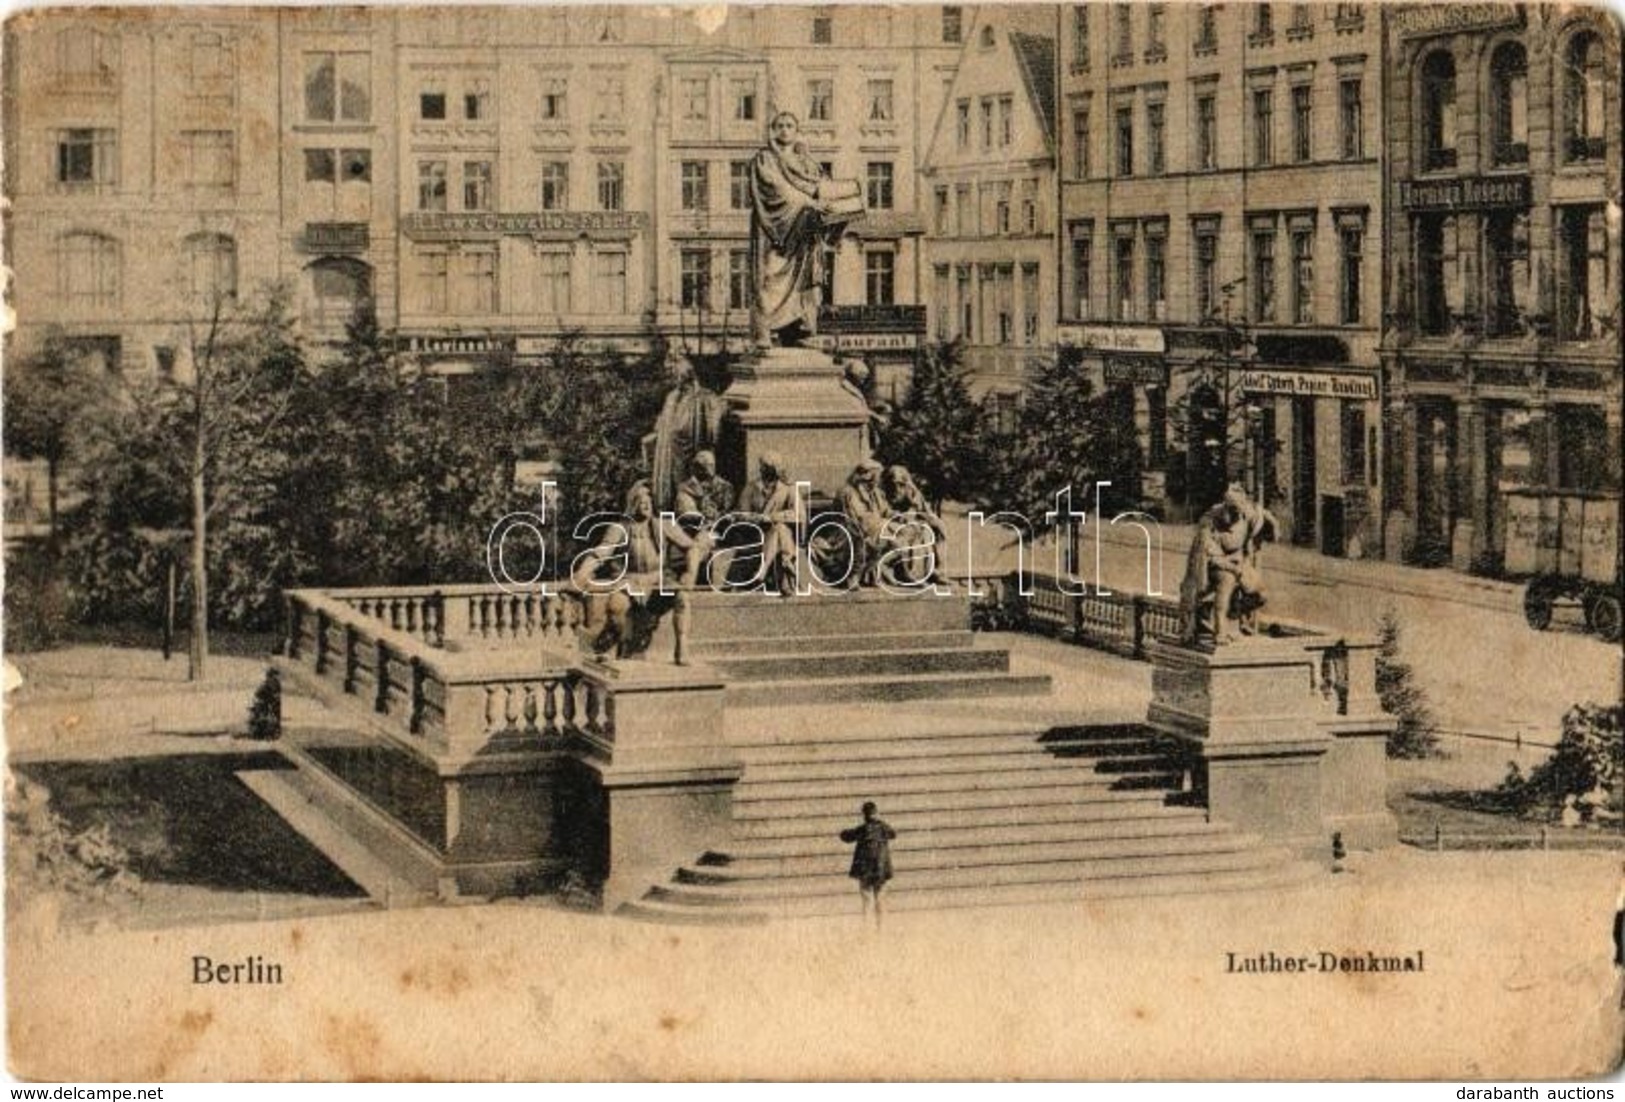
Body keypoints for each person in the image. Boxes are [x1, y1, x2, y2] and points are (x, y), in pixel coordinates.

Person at [749, 112, 861, 348]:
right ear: (772, 129)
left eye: (789, 125)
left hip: (805, 233)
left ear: (797, 130)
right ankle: (765, 330)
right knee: (770, 276)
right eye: (779, 125)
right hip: (776, 230)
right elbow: (775, 189)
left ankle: (799, 329)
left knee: (806, 281)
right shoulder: (765, 158)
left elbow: (820, 186)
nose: (784, 130)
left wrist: (842, 201)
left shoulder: (807, 161)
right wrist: (810, 201)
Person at [571, 480, 710, 665]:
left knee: (682, 597)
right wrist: (582, 573)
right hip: (629, 581)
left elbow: (692, 548)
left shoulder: (664, 525)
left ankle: (682, 647)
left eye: (649, 500)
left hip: (657, 580)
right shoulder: (619, 528)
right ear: (632, 503)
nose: (645, 504)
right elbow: (601, 553)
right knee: (616, 608)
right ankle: (608, 642)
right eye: (640, 500)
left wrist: (690, 574)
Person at [1179, 483, 1278, 645]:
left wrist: (1269, 520)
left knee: (1261, 595)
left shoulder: (1247, 515)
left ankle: (1235, 613)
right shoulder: (1210, 521)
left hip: (1240, 563)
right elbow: (1208, 553)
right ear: (1225, 508)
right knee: (1226, 581)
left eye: (1239, 512)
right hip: (1214, 565)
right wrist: (1232, 568)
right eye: (1232, 512)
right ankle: (1220, 630)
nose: (1236, 516)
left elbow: (1268, 532)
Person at [734, 452, 802, 594]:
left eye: (768, 467)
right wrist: (758, 519)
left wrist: (773, 517)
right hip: (757, 534)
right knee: (780, 531)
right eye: (763, 467)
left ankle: (763, 570)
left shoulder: (789, 488)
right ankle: (786, 567)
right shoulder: (751, 488)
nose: (763, 470)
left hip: (780, 533)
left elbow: (799, 514)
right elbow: (741, 514)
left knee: (779, 528)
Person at [839, 801, 896, 929]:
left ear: (864, 815)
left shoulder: (861, 829)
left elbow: (846, 837)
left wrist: (842, 832)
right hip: (881, 869)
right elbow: (893, 834)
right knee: (880, 899)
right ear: (876, 813)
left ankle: (866, 929)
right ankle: (881, 929)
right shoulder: (883, 828)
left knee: (866, 900)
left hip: (865, 870)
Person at [835, 459, 890, 587]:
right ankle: (853, 576)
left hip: (872, 530)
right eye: (877, 475)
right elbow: (850, 518)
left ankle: (869, 572)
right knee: (861, 540)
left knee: (892, 540)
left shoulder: (875, 492)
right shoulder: (847, 492)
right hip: (847, 531)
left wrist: (900, 517)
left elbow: (886, 511)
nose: (879, 479)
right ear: (868, 475)